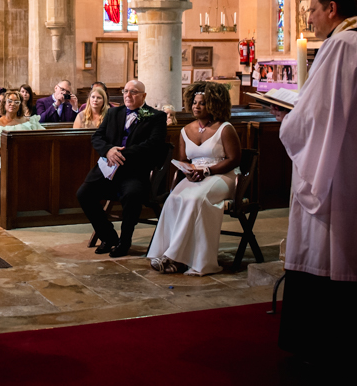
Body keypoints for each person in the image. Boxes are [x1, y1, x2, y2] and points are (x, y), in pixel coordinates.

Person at [271, 0, 357, 361]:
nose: (310, 19)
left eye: (312, 11)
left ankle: (323, 345)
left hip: (338, 173)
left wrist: (288, 121)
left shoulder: (341, 46)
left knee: (332, 251)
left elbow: (317, 116)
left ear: (331, 9)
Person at [147, 83, 241, 275]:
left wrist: (207, 171)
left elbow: (234, 159)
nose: (196, 107)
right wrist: (187, 171)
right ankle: (167, 253)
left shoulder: (225, 128)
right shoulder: (185, 130)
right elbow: (183, 160)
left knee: (195, 199)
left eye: (203, 103)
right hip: (196, 176)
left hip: (222, 176)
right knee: (174, 198)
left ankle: (180, 258)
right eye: (195, 103)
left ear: (214, 104)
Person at [76, 80, 167, 258]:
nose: (128, 95)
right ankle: (109, 237)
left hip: (134, 172)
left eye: (133, 92)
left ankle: (125, 242)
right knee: (83, 194)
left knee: (132, 195)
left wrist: (123, 154)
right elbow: (97, 137)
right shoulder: (112, 113)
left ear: (144, 96)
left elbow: (153, 144)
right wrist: (109, 150)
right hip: (108, 170)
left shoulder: (156, 117)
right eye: (126, 91)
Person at [0, 90, 44, 169]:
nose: (13, 104)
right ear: (4, 103)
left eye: (16, 102)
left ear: (20, 105)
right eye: (10, 101)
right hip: (7, 156)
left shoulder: (27, 121)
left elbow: (41, 136)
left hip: (28, 154)